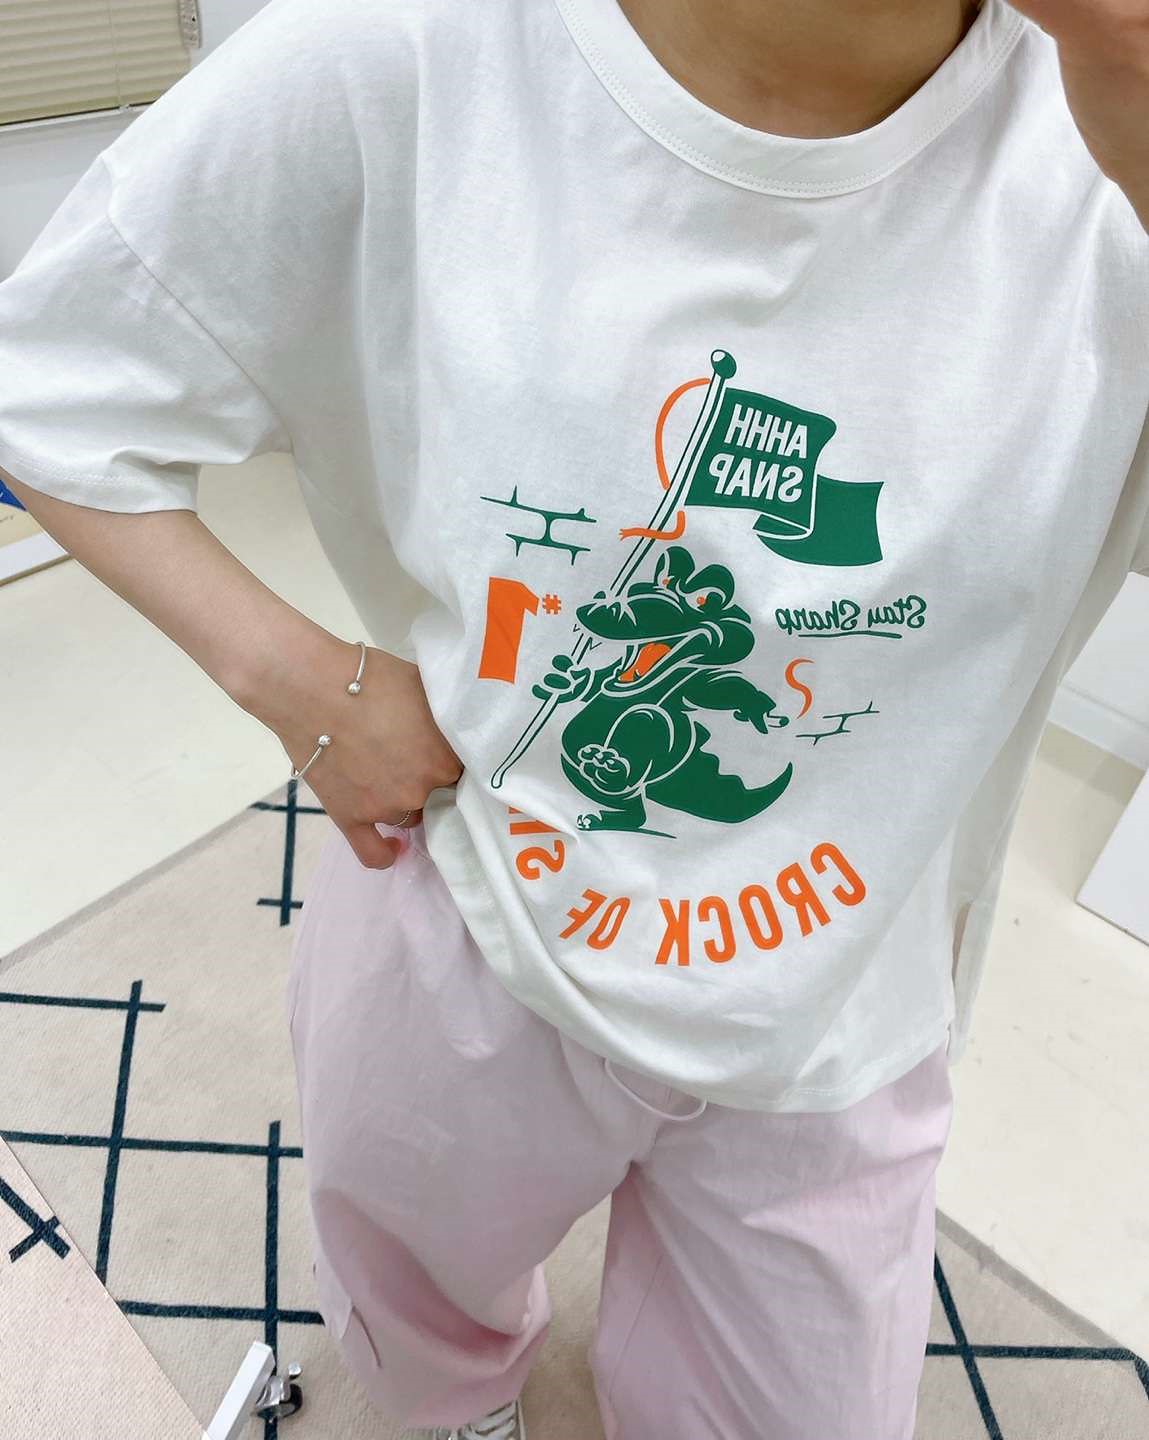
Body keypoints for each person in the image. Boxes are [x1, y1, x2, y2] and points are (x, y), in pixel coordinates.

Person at [2, 0, 1148, 1436]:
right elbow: (50, 385)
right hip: (472, 902)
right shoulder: (399, 53)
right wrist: (306, 689)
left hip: (852, 984)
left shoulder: (1107, 145)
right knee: (416, 1309)